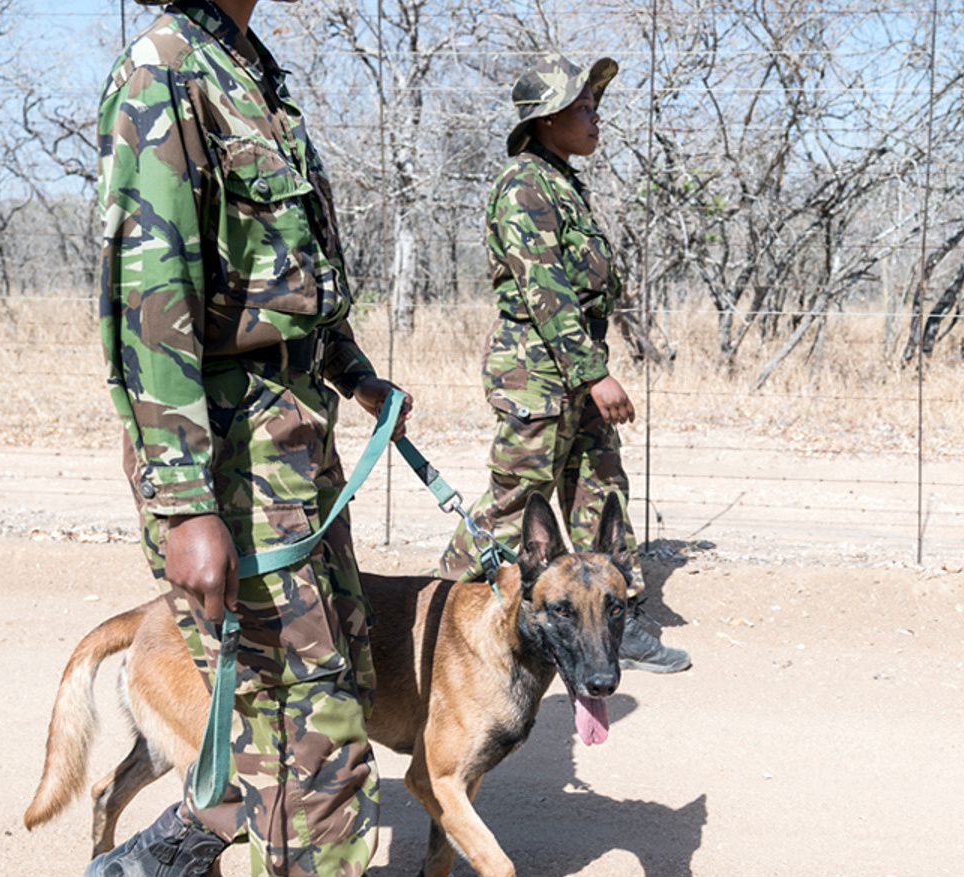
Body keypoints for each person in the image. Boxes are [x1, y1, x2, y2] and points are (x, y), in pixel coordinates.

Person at [88, 1, 411, 875]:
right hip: (232, 464)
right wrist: (187, 502)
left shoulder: (246, 66)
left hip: (297, 449)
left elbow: (284, 269)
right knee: (315, 734)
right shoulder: (165, 70)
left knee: (321, 695)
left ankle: (169, 852)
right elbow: (150, 311)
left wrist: (350, 368)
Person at [434, 54, 689, 674]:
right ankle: (436, 608)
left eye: (594, 104)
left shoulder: (562, 182)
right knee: (515, 503)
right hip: (540, 375)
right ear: (547, 120)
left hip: (574, 370)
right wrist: (592, 374)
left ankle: (619, 617)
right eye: (582, 106)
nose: (595, 116)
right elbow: (544, 289)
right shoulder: (523, 184)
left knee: (601, 492)